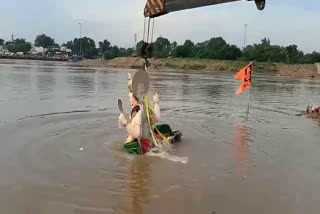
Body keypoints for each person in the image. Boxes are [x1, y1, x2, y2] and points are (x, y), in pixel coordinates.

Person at [118, 72, 160, 145]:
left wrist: (125, 123)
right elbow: (156, 119)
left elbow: (137, 134)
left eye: (130, 98)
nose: (130, 102)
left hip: (144, 143)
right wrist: (156, 103)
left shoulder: (138, 111)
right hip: (151, 140)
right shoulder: (146, 106)